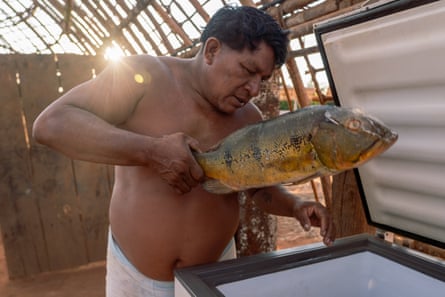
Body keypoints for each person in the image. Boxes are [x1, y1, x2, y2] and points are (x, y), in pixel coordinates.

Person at [33, 5, 335, 297]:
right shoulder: (143, 76)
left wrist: (294, 205)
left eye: (263, 80)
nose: (254, 89)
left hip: (213, 275)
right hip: (135, 278)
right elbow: (51, 124)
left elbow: (257, 190)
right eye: (247, 70)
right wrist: (150, 151)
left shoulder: (249, 119)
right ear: (212, 50)